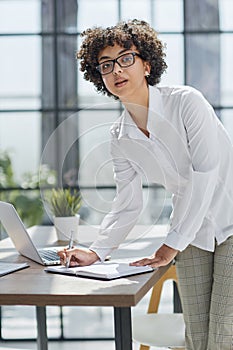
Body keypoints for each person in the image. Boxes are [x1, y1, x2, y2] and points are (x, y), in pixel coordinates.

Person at [58, 19, 233, 350]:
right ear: (99, 77)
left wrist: (171, 244)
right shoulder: (119, 138)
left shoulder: (187, 103)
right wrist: (96, 252)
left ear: (147, 64)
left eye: (126, 58)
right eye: (106, 65)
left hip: (229, 220)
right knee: (196, 337)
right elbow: (127, 205)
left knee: (223, 335)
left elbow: (205, 175)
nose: (116, 70)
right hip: (192, 232)